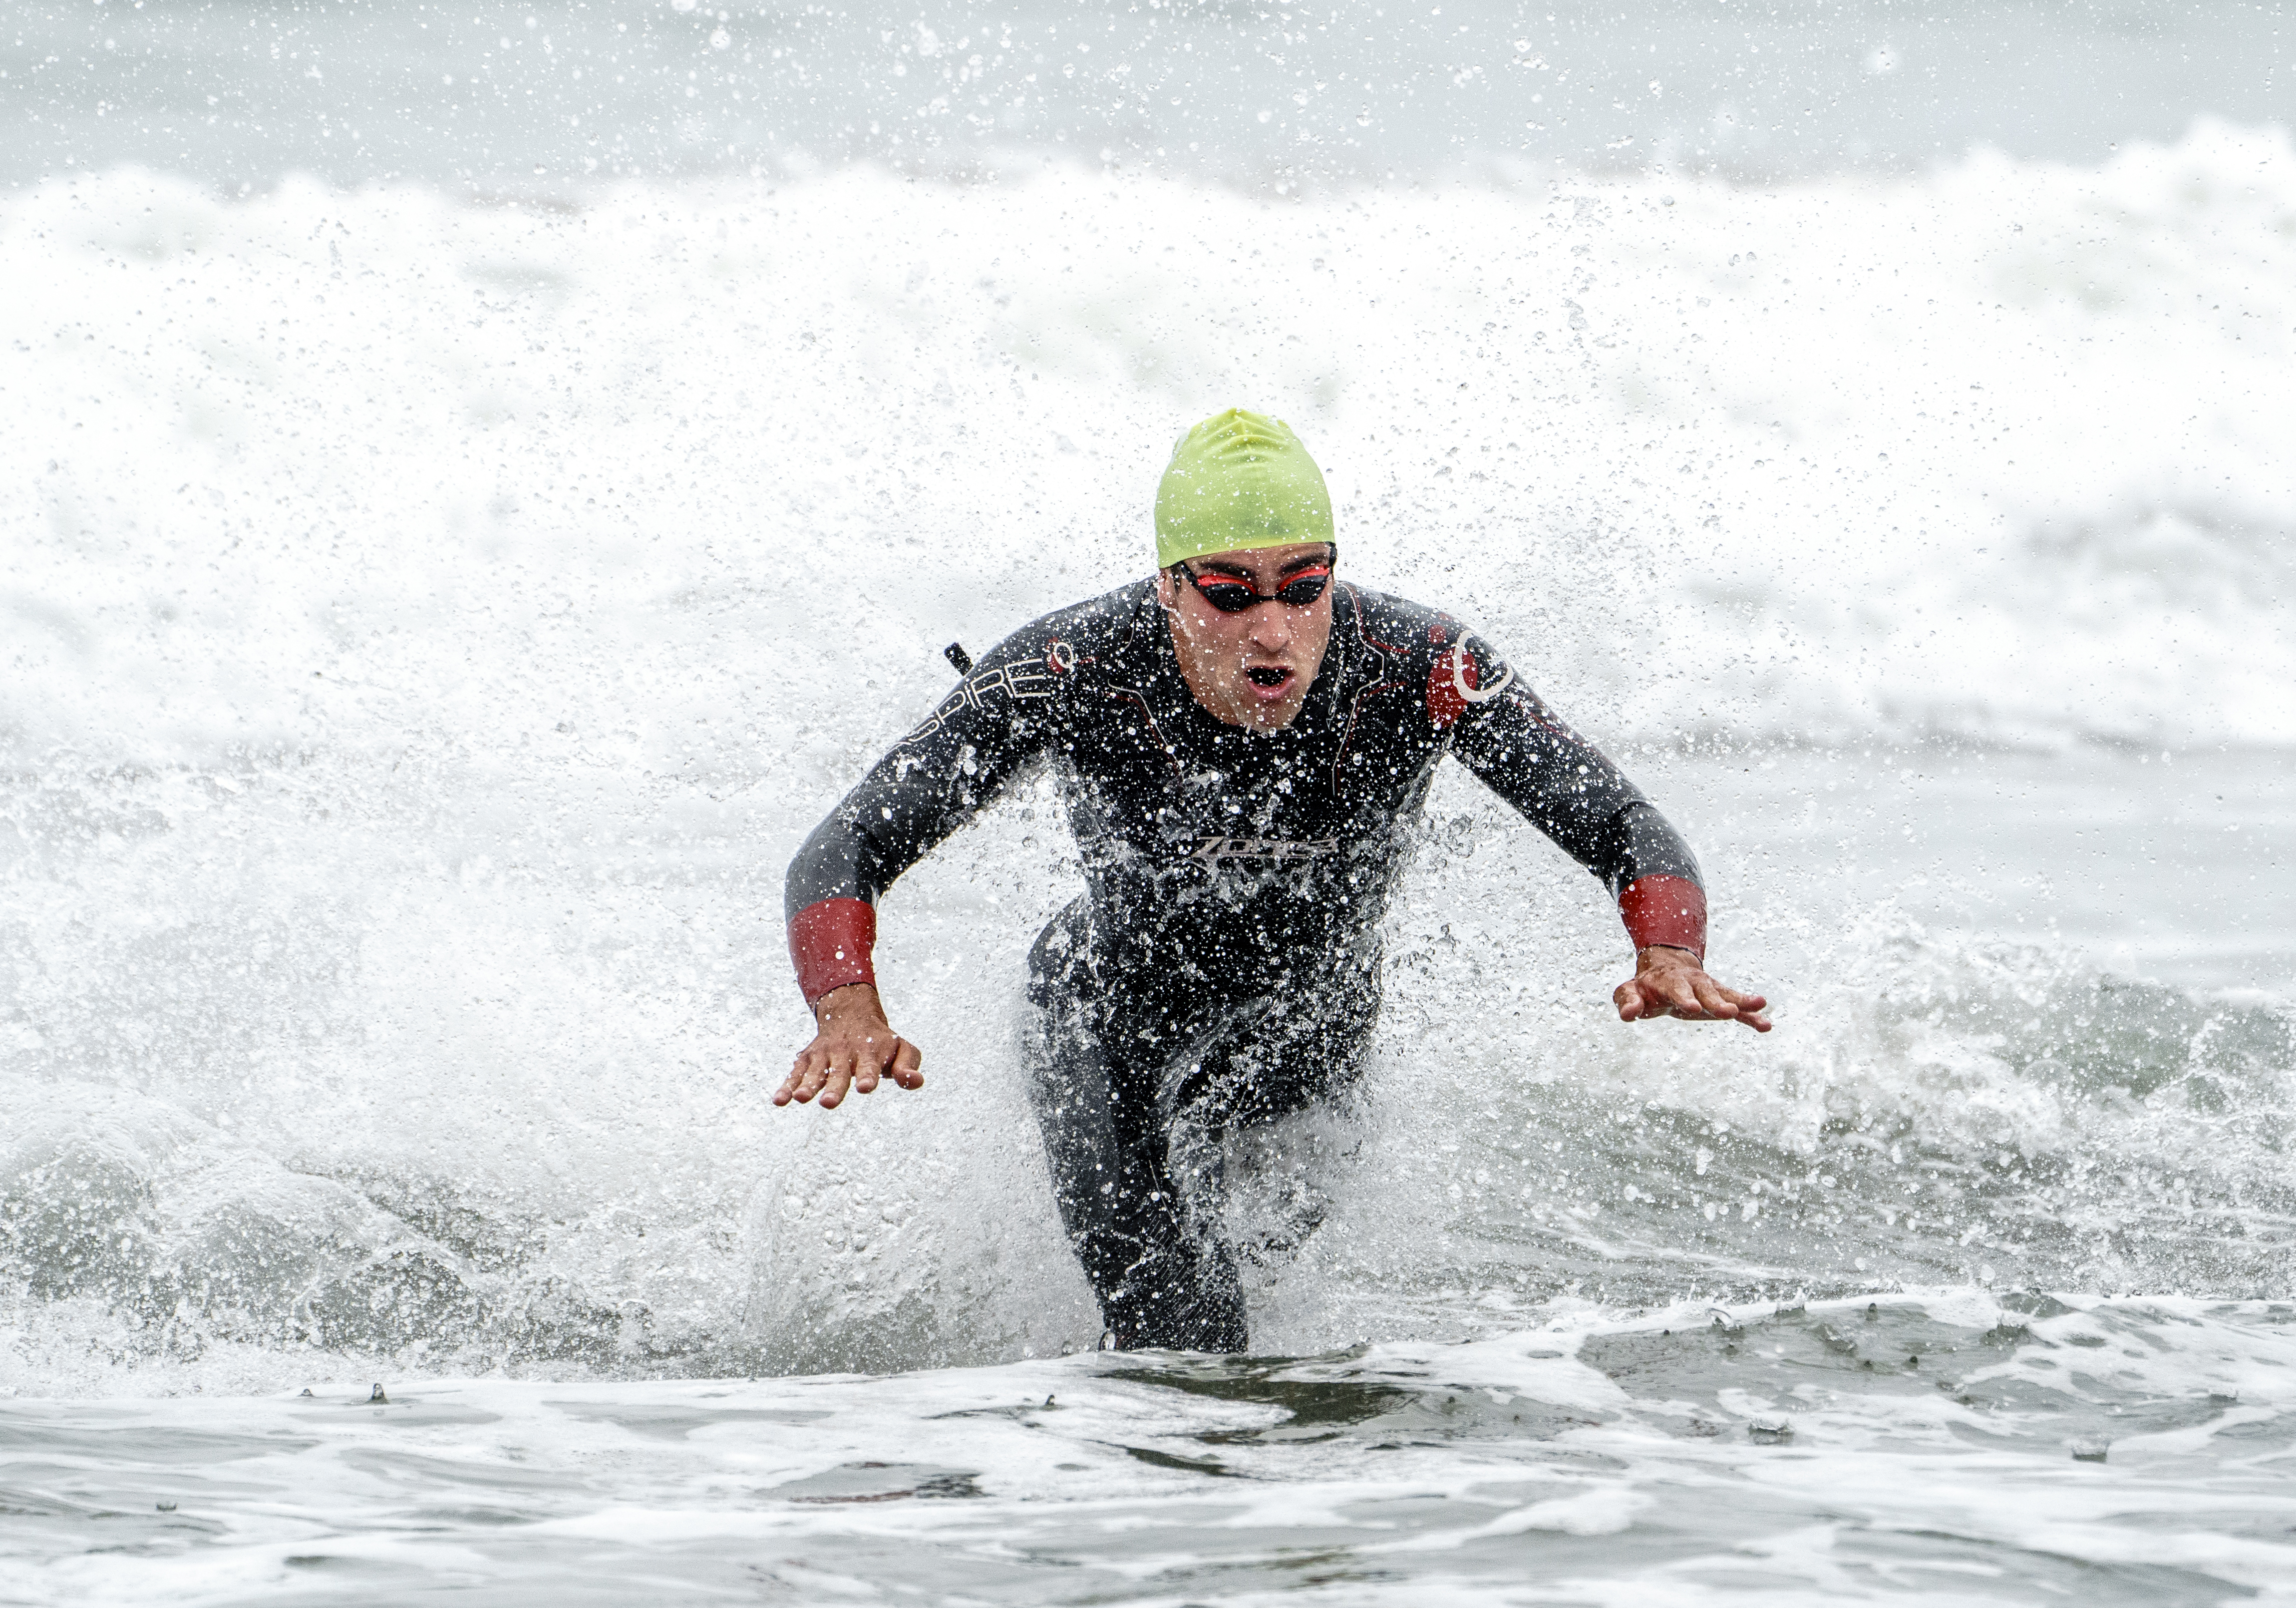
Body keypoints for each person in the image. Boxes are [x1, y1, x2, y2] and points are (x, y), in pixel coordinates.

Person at [776, 408, 1769, 1352]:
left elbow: (1615, 817)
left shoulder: (1419, 663)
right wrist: (847, 1007)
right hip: (1103, 1029)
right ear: (1168, 585)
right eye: (1229, 592)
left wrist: (1667, 948)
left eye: (1302, 587)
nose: (1271, 631)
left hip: (1309, 1036)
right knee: (1186, 1336)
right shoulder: (1069, 665)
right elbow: (849, 841)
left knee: (1267, 1336)